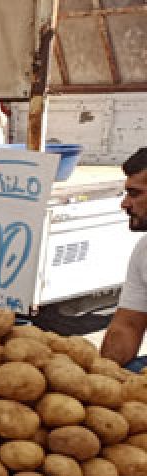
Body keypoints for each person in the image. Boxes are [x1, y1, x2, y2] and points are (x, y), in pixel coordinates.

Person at [100, 148, 147, 372]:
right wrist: (102, 374)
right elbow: (128, 325)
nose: (125, 204)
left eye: (135, 194)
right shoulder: (144, 250)